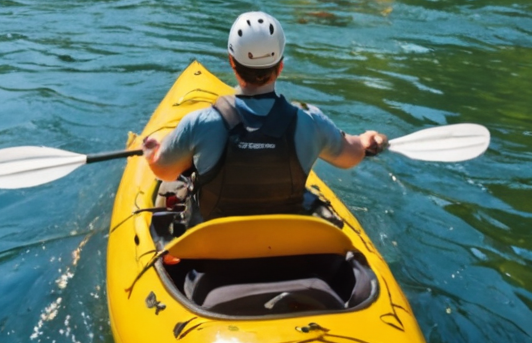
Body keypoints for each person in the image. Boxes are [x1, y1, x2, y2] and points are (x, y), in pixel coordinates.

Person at [142, 12, 386, 222]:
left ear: (232, 62)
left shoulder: (200, 122)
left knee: (172, 187)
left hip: (214, 244)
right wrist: (367, 140)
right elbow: (349, 156)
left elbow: (164, 171)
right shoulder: (311, 121)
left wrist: (152, 153)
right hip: (283, 240)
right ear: (280, 66)